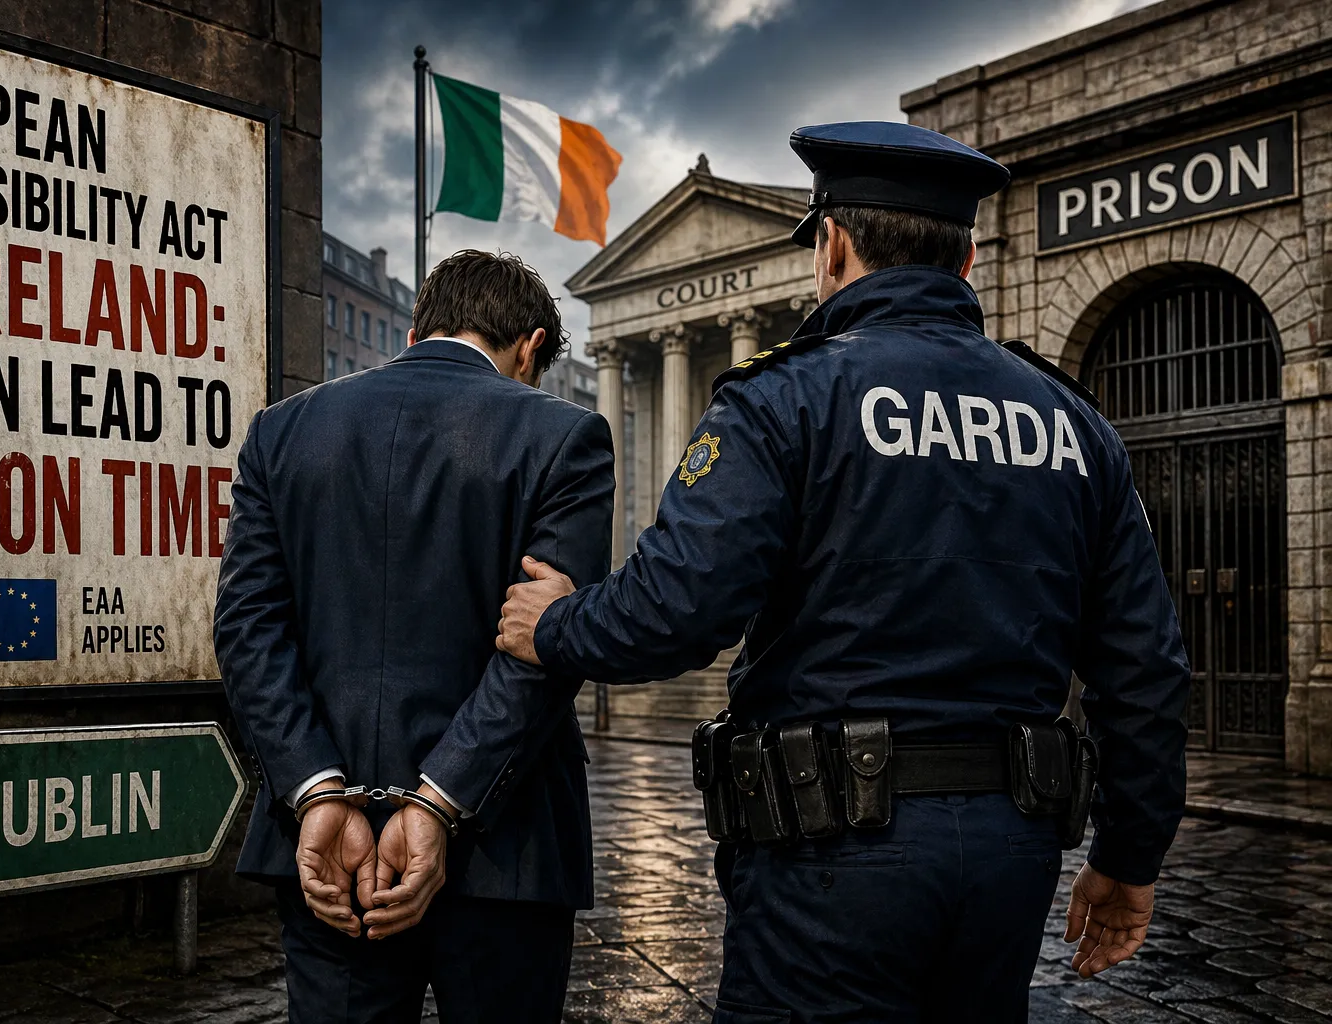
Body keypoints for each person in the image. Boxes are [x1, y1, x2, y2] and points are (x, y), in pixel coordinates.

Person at [494, 122, 1190, 1021]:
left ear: (832, 243)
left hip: (829, 852)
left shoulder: (784, 396)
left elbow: (675, 612)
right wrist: (1132, 854)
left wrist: (554, 623)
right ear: (967, 259)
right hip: (1010, 851)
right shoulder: (1070, 421)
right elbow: (1147, 666)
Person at [215, 250, 613, 1024]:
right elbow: (545, 645)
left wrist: (315, 788)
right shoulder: (564, 436)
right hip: (509, 846)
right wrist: (438, 800)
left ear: (414, 329)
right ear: (530, 348)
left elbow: (246, 628)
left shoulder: (282, 432)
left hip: (330, 846)